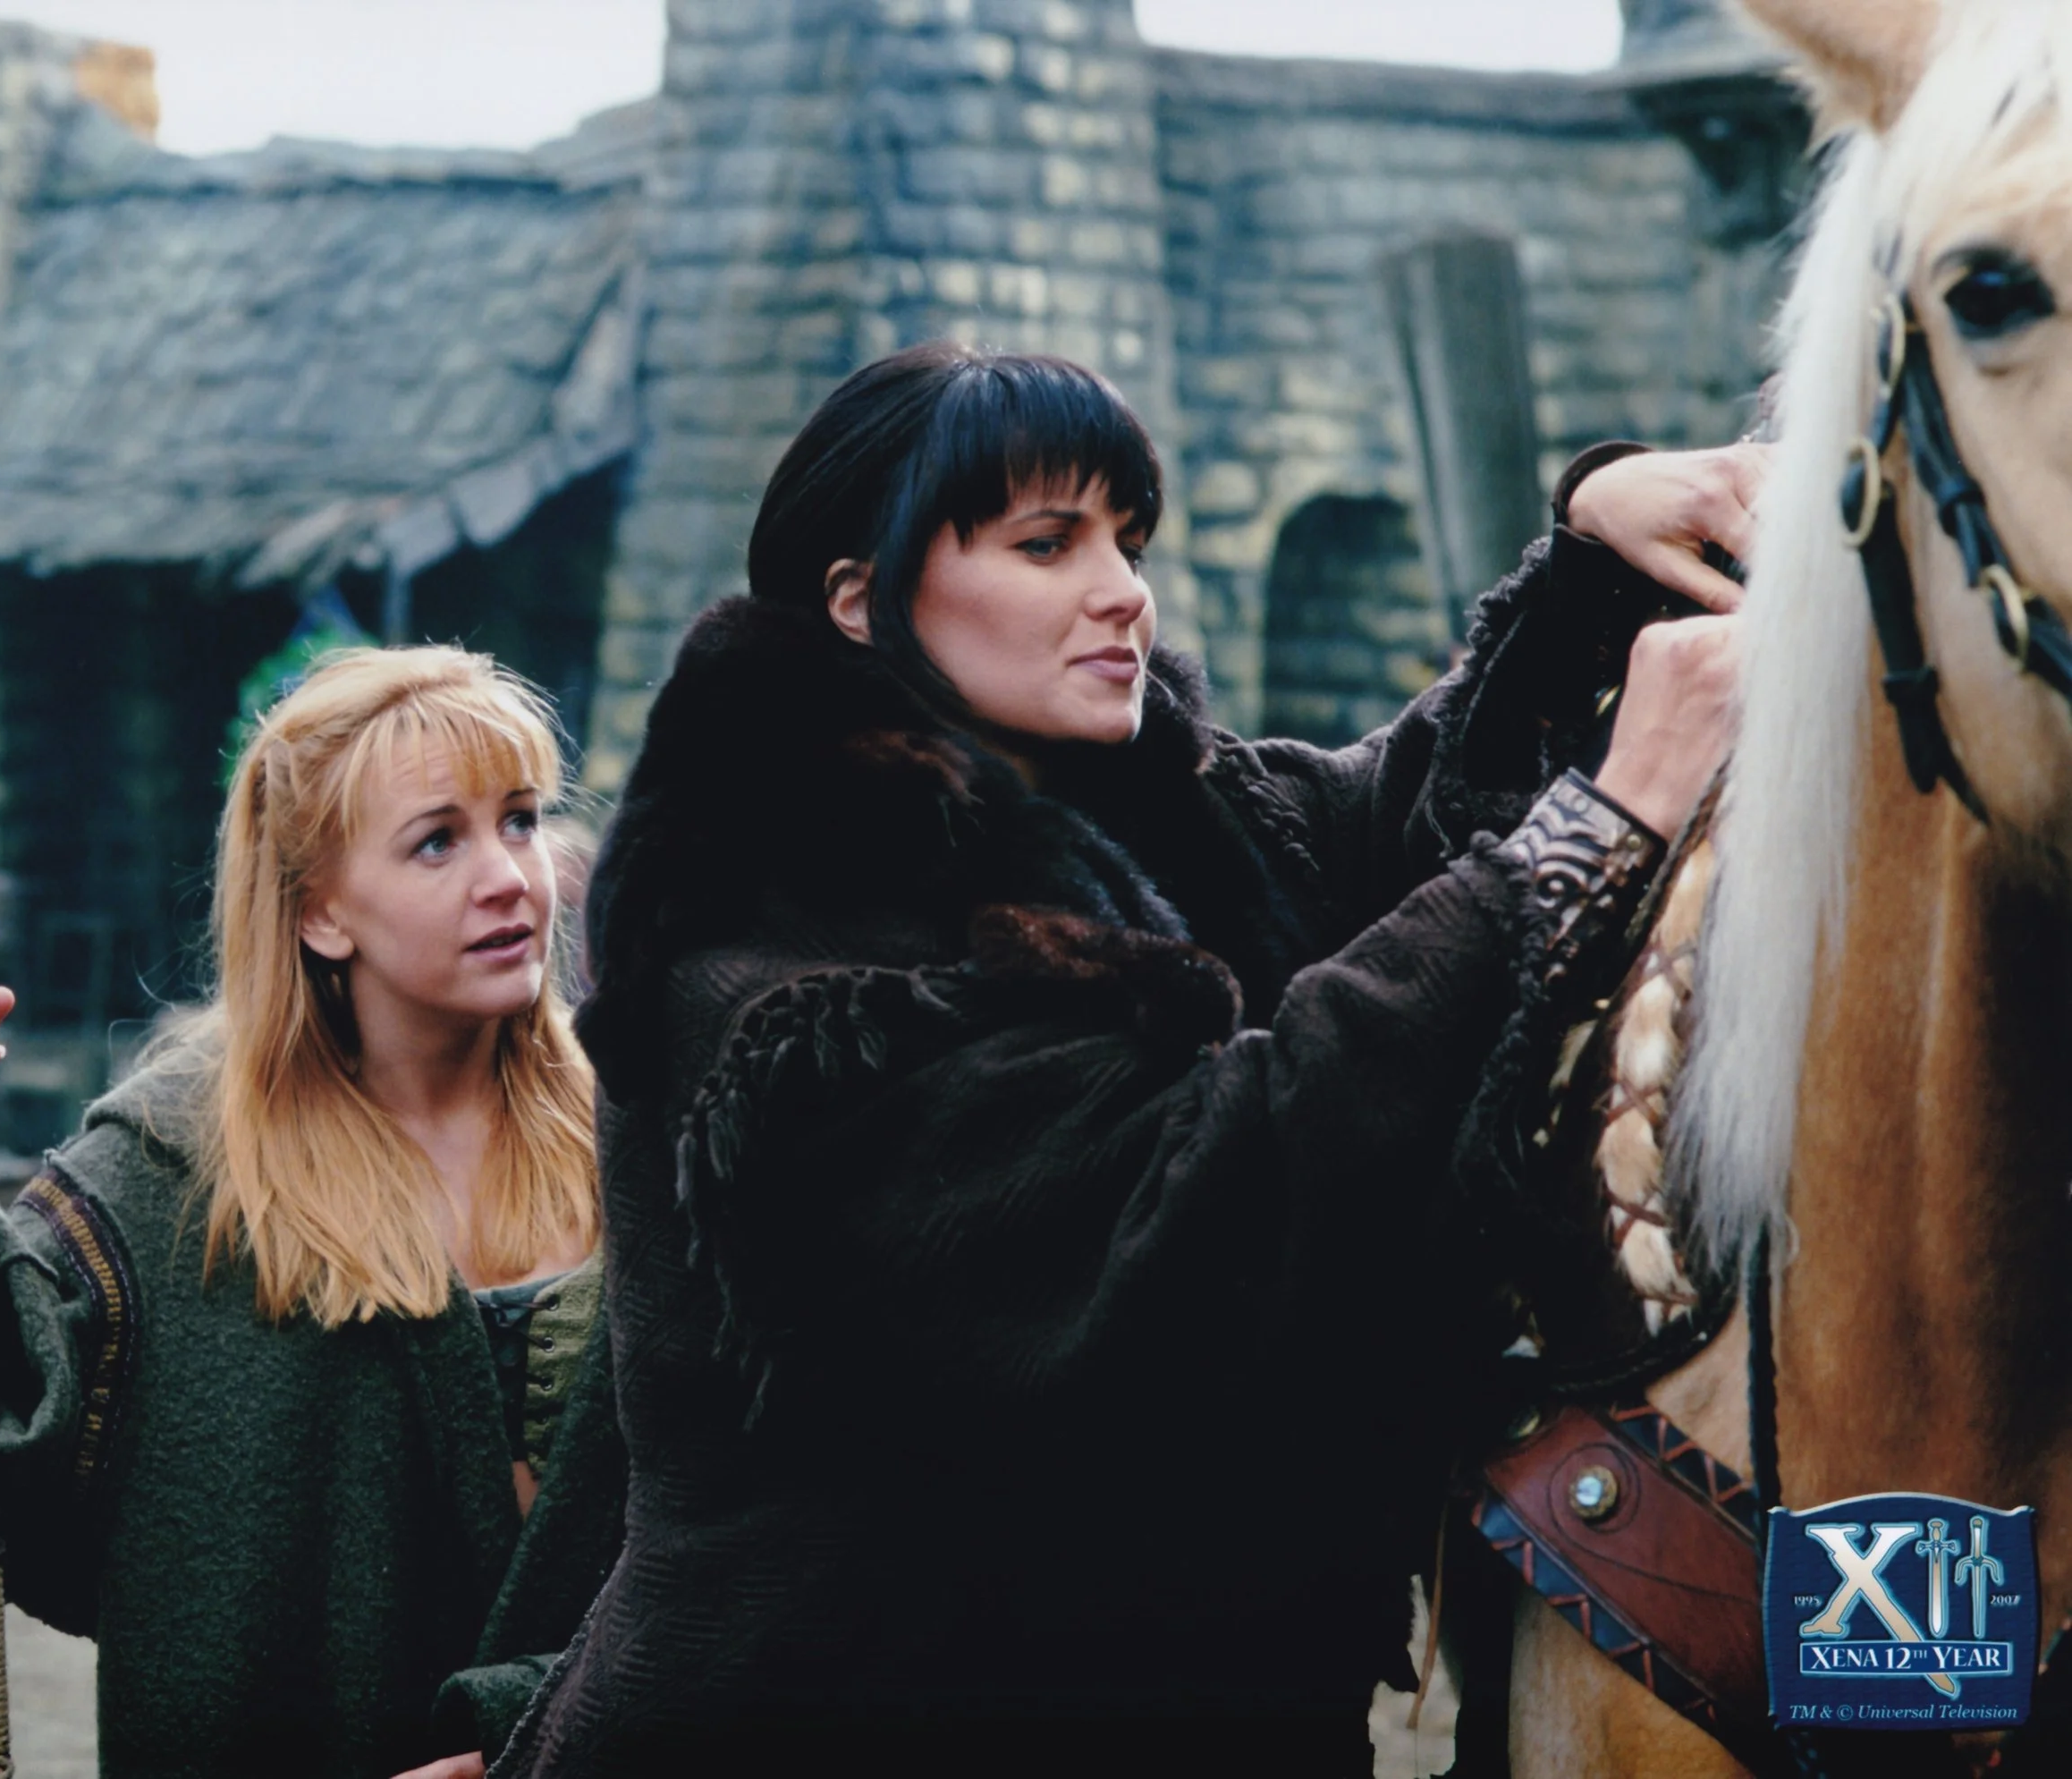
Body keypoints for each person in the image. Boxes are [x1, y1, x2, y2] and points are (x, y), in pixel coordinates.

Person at [495, 342, 1750, 1775]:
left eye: (1127, 542)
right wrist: (1601, 826)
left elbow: (1396, 824)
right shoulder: (769, 962)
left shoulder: (1160, 823)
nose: (1122, 593)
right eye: (1048, 545)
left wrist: (1598, 554)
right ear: (858, 597)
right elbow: (1188, 1205)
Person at [0, 648, 626, 1779]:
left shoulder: (647, 1142)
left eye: (519, 819)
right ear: (319, 914)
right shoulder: (176, 1173)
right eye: (436, 842)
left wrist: (546, 1731)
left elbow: (773, 1536)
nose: (511, 876)